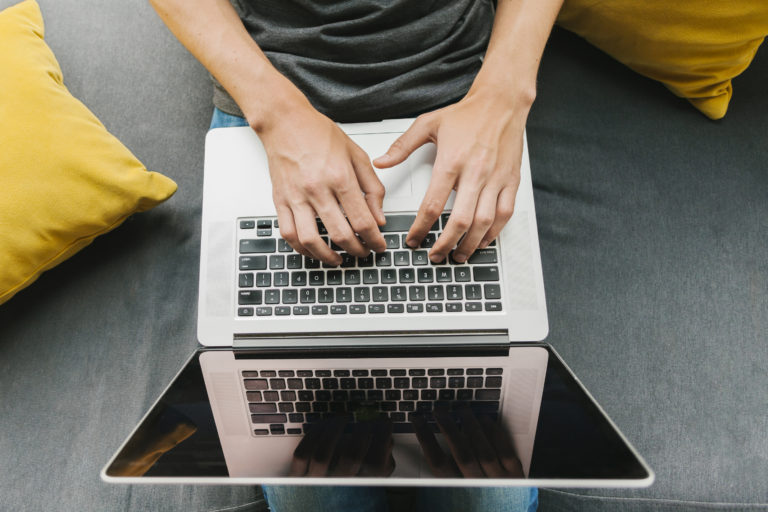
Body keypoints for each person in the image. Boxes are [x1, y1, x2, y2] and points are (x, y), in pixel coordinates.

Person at [149, 1, 562, 510]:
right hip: (272, 85)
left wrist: (505, 95)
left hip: (460, 90)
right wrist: (277, 116)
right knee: (317, 495)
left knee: (493, 498)